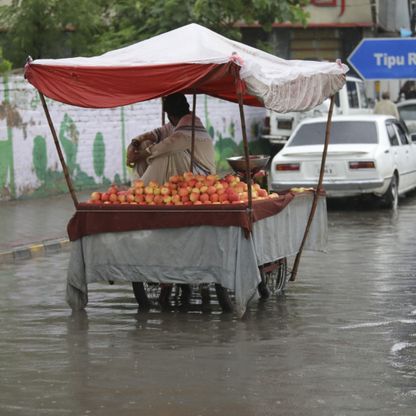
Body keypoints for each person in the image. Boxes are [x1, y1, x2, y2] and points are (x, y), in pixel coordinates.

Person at [126, 93, 216, 185]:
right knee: (145, 143)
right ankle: (138, 184)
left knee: (166, 154)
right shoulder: (177, 122)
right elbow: (153, 134)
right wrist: (134, 144)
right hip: (189, 169)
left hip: (202, 174)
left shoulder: (190, 125)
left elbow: (166, 146)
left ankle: (141, 188)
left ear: (170, 115)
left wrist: (137, 155)